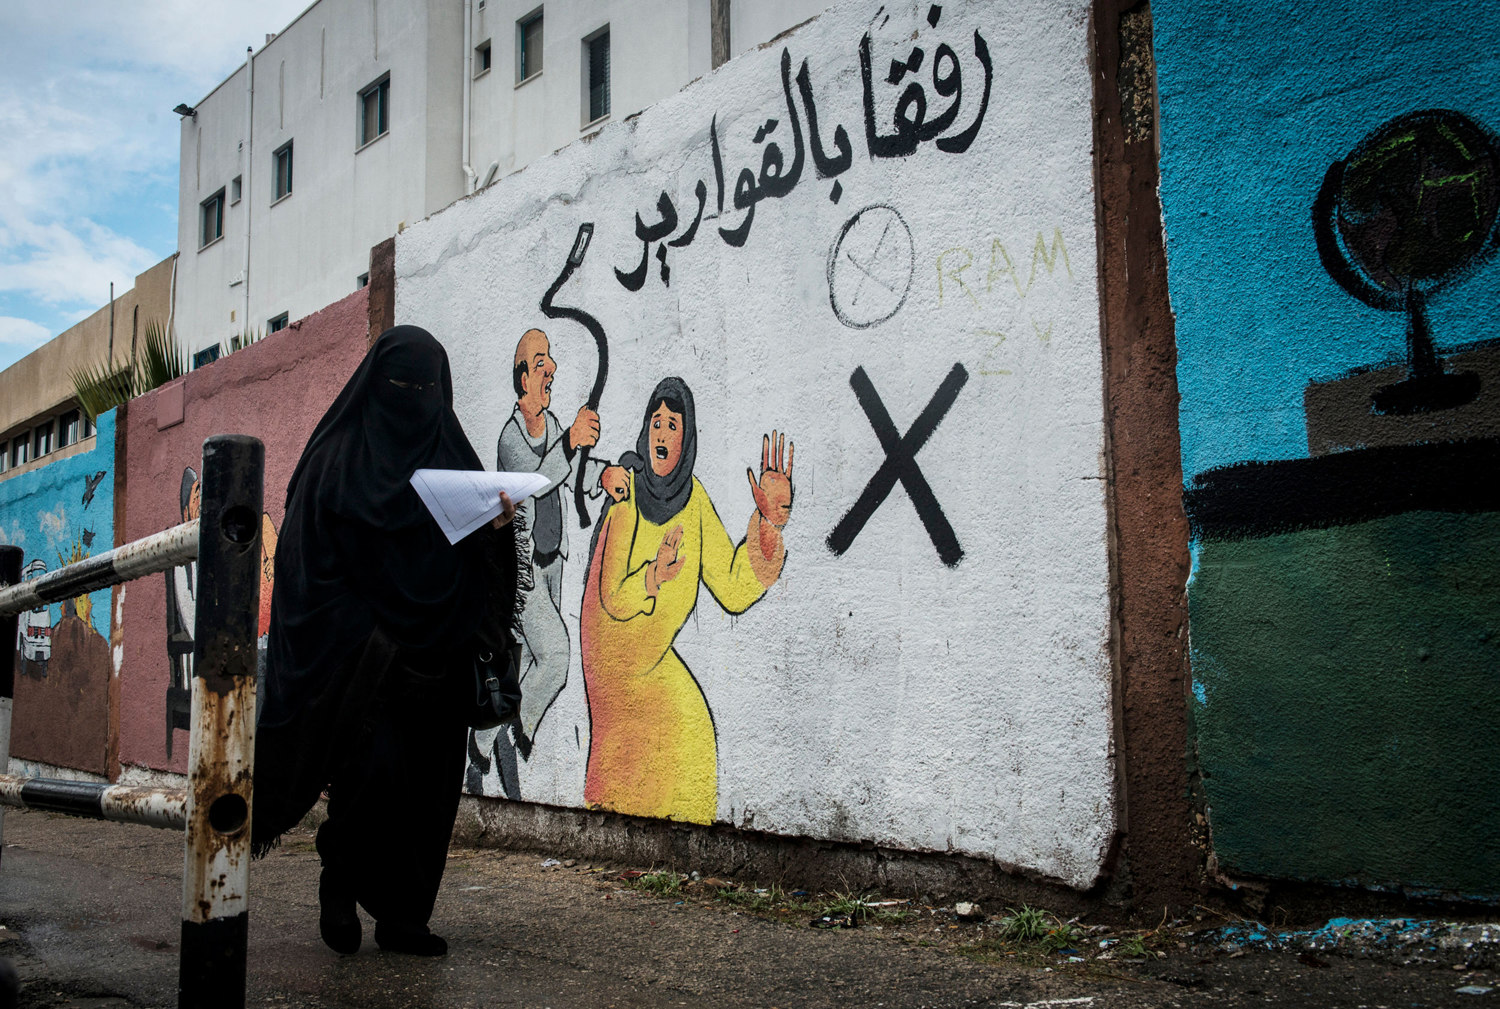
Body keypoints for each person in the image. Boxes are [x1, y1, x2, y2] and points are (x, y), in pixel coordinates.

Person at [251, 326, 521, 957]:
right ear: (376, 386)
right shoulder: (334, 461)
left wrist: (497, 524)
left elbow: (481, 554)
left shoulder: (450, 455)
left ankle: (406, 918)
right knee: (369, 781)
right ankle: (339, 886)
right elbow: (303, 571)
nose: (413, 401)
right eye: (402, 387)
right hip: (365, 661)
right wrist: (365, 633)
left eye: (426, 390)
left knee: (429, 792)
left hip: (440, 656)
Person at [579, 377, 792, 824]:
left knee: (691, 732)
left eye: (672, 425)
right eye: (655, 422)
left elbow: (732, 588)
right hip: (614, 657)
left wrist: (769, 523)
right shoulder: (627, 492)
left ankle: (669, 846)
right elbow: (613, 596)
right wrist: (654, 574)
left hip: (651, 657)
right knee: (676, 728)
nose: (660, 433)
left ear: (686, 439)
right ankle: (626, 835)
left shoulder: (693, 501)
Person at [475, 329, 625, 794]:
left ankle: (480, 750)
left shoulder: (552, 424)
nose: (552, 369)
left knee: (523, 670)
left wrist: (604, 473)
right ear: (523, 378)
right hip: (522, 573)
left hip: (550, 564)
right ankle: (517, 736)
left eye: (549, 361)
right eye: (542, 363)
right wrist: (571, 442)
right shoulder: (509, 438)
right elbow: (534, 481)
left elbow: (572, 471)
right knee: (556, 656)